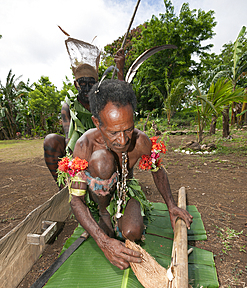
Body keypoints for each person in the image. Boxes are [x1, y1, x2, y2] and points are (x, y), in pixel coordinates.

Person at [65, 79, 193, 270]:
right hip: (100, 198)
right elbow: (76, 201)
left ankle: (119, 218)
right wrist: (104, 242)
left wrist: (171, 205)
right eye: (114, 132)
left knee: (132, 232)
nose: (123, 140)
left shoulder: (141, 141)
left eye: (129, 129)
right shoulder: (85, 145)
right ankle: (103, 212)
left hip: (126, 194)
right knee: (101, 161)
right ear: (96, 122)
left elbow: (157, 171)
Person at [43, 35, 125, 186]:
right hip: (78, 150)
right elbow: (69, 138)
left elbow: (121, 100)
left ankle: (112, 184)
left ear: (97, 83)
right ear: (76, 85)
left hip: (102, 149)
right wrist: (73, 166)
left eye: (91, 84)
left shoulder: (103, 101)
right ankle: (64, 187)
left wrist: (120, 71)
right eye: (83, 84)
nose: (87, 89)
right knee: (51, 140)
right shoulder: (69, 105)